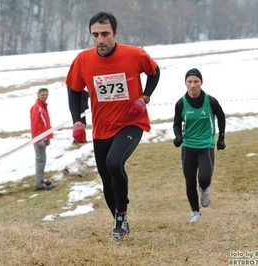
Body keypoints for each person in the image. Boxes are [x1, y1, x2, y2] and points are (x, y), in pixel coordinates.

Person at [66, 11, 160, 241]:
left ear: (116, 33)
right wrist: (77, 121)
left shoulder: (134, 54)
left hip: (131, 122)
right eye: (95, 34)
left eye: (105, 34)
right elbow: (74, 89)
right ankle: (120, 221)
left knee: (114, 163)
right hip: (101, 128)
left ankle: (121, 214)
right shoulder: (83, 60)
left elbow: (154, 73)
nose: (100, 40)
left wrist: (144, 98)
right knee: (106, 178)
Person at [173, 68, 226, 223]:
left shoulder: (210, 101)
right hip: (188, 146)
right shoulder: (180, 103)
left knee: (204, 178)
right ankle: (195, 212)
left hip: (206, 145)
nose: (193, 85)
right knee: (189, 181)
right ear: (185, 84)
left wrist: (221, 137)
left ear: (201, 83)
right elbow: (176, 124)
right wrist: (178, 137)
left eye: (196, 81)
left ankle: (204, 189)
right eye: (189, 82)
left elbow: (221, 116)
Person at [30, 88, 53, 191]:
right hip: (39, 138)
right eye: (43, 95)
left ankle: (41, 180)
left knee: (43, 159)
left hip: (44, 137)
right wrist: (38, 139)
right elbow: (35, 125)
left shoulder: (43, 107)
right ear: (38, 95)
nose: (45, 96)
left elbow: (46, 123)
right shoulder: (36, 108)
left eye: (46, 95)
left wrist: (48, 136)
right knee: (40, 160)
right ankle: (39, 183)